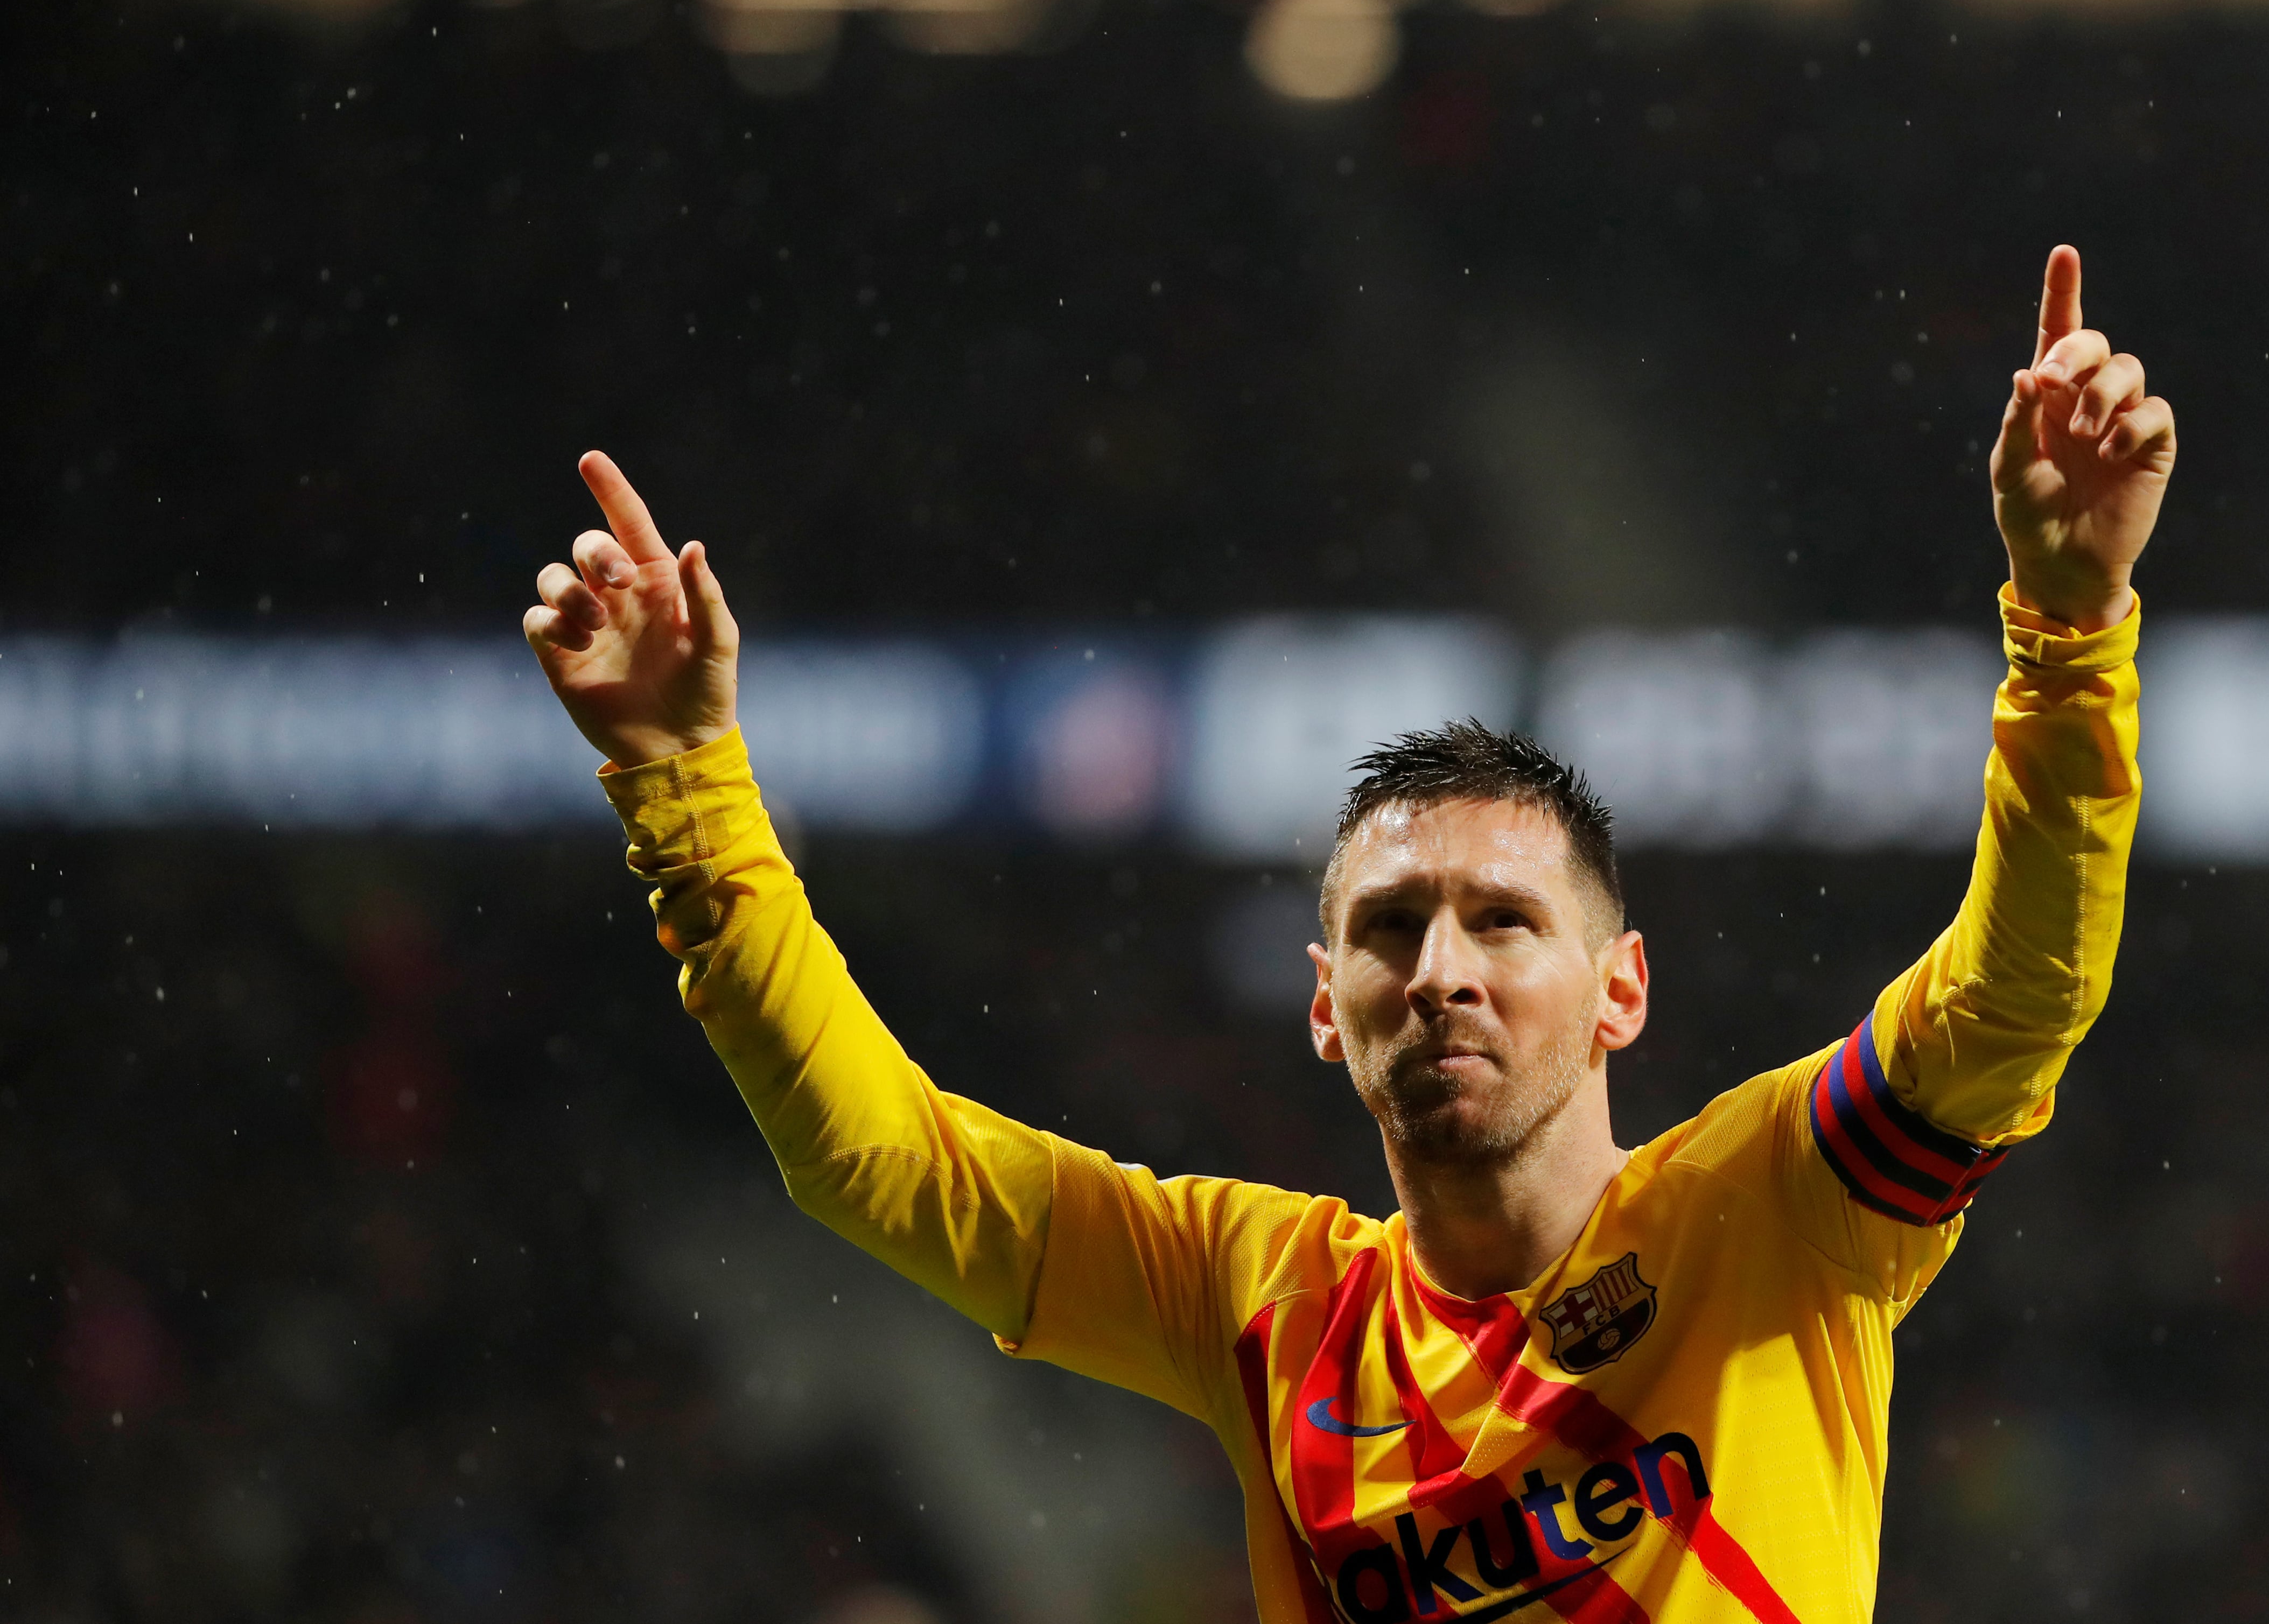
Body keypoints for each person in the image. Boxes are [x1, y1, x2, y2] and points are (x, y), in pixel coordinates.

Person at [521, 244, 2174, 1623]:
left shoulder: (1775, 1206)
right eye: (1391, 927)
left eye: (1502, 921)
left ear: (1622, 989)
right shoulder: (1266, 1304)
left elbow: (2014, 996)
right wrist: (681, 787)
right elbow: (876, 1161)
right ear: (1327, 1005)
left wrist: (2068, 625)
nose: (1441, 968)